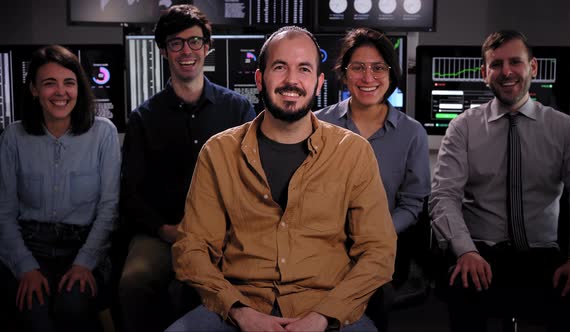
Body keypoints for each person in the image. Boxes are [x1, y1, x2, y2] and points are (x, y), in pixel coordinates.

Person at [165, 26, 396, 332]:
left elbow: (378, 252)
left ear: (318, 83)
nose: (291, 80)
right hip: (238, 307)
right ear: (260, 79)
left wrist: (324, 317)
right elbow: (191, 248)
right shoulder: (218, 152)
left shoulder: (353, 153)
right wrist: (240, 311)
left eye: (304, 69)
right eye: (279, 67)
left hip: (327, 310)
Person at [430, 29, 570, 331]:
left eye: (515, 62)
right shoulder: (462, 128)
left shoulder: (564, 129)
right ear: (484, 73)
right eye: (496, 64)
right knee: (461, 291)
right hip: (481, 252)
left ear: (533, 68)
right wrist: (465, 250)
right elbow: (444, 196)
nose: (506, 72)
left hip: (543, 255)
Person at [117, 4, 256, 332]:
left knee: (241, 283)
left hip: (225, 234)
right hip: (164, 233)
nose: (186, 51)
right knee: (135, 281)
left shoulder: (238, 110)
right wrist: (165, 230)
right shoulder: (143, 118)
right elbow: (132, 193)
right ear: (163, 51)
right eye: (176, 43)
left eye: (194, 42)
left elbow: (252, 179)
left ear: (207, 47)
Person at [0, 45, 120, 332]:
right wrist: (25, 267)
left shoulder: (104, 133)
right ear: (33, 89)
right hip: (30, 247)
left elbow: (109, 208)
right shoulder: (13, 137)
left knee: (72, 307)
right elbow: (3, 212)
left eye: (69, 82)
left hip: (83, 246)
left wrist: (84, 263)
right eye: (49, 83)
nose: (60, 92)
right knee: (34, 312)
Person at [315, 27, 430, 293]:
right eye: (358, 68)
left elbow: (412, 203)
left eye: (378, 67)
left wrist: (374, 235)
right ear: (344, 73)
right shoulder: (318, 125)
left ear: (391, 74)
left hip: (381, 252)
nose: (368, 77)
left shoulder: (412, 134)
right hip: (322, 249)